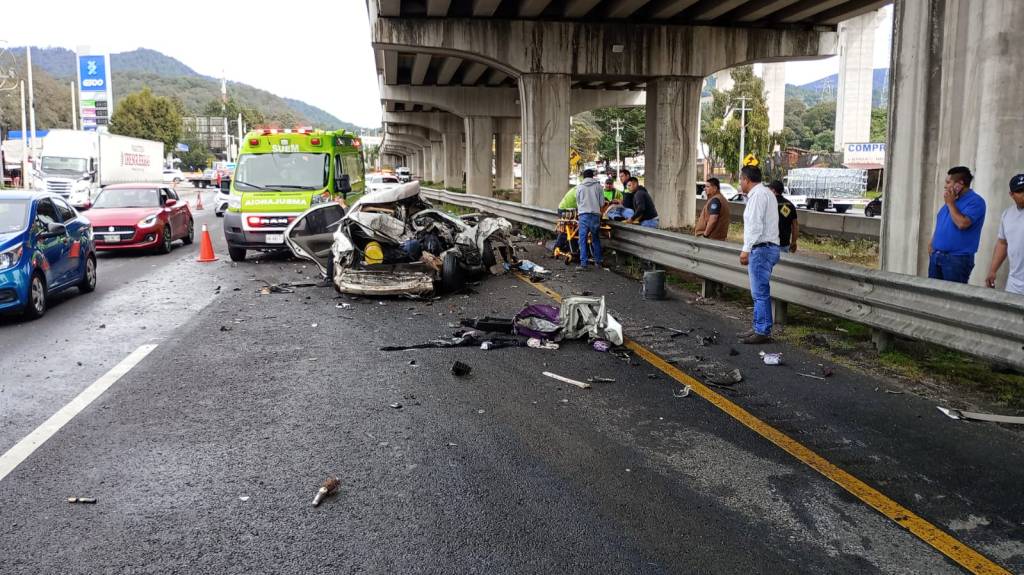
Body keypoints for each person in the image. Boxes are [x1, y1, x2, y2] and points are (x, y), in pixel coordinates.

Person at [737, 166, 780, 344]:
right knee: (759, 292)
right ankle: (758, 326)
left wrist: (746, 249)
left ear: (746, 179)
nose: (740, 183)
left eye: (740, 180)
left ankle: (762, 330)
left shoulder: (758, 196)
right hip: (768, 247)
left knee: (760, 292)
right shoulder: (766, 193)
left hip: (761, 248)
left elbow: (755, 225)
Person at [929, 166, 987, 283]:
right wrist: (932, 243)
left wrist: (950, 204)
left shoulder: (975, 201)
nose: (945, 186)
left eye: (948, 182)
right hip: (937, 257)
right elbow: (941, 223)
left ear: (960, 184)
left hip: (956, 259)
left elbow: (962, 223)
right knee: (933, 297)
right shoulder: (952, 200)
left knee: (951, 299)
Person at [985, 174, 1024, 295]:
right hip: (1014, 283)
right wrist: (992, 270)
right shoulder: (1007, 214)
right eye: (1019, 191)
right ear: (1011, 194)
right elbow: (1002, 243)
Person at [575, 169, 604, 270]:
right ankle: (598, 262)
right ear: (593, 176)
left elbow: (578, 202)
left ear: (583, 176)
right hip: (595, 215)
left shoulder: (579, 187)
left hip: (583, 215)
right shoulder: (599, 186)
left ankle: (584, 264)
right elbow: (602, 203)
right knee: (595, 239)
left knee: (582, 240)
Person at [768, 180, 799, 252]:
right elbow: (795, 225)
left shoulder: (768, 204)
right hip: (784, 244)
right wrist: (794, 242)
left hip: (769, 244)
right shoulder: (789, 205)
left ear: (773, 190)